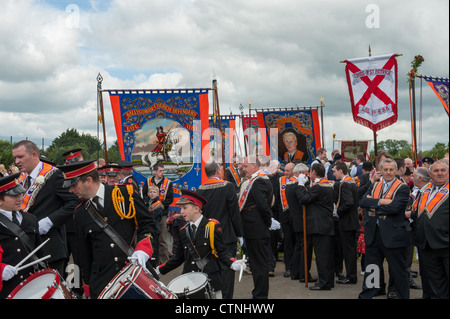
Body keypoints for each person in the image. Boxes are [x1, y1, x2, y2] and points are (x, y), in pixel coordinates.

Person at [58, 160, 158, 299]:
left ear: (88, 180)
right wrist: (85, 287)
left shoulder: (124, 194)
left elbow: (148, 224)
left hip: (133, 272)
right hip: (102, 283)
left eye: (74, 185)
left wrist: (143, 249)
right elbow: (82, 256)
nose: (70, 190)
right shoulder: (80, 213)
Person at [156, 190, 245, 299]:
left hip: (210, 281)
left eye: (185, 208)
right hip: (189, 281)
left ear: (196, 209)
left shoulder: (211, 227)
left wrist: (233, 262)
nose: (181, 212)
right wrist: (159, 270)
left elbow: (222, 251)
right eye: (180, 208)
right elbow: (178, 258)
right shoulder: (184, 231)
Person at [12, 140, 79, 276]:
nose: (17, 161)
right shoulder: (22, 177)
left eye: (20, 157)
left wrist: (49, 221)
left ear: (34, 155)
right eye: (15, 158)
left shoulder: (54, 174)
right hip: (28, 247)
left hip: (50, 246)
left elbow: (74, 202)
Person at [358, 158, 411, 299]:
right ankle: (370, 292)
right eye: (385, 169)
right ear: (380, 171)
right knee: (372, 268)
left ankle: (401, 295)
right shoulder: (375, 185)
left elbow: (395, 208)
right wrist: (381, 201)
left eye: (391, 169)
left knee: (397, 269)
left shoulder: (403, 187)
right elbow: (362, 201)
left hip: (393, 235)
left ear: (396, 170)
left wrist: (373, 206)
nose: (388, 172)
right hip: (373, 233)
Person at [196, 160, 243, 299]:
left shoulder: (200, 189)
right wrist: (239, 233)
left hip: (207, 236)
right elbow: (234, 212)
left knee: (212, 270)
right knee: (228, 270)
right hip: (226, 234)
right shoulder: (227, 187)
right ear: (217, 171)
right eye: (221, 169)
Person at [0, 173, 46, 299]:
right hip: (8, 289)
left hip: (33, 284)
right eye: (14, 195)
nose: (20, 198)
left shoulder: (30, 219)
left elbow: (39, 253)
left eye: (20, 193)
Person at [238, 155, 275, 299]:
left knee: (259, 265)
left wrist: (267, 222)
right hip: (254, 228)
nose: (243, 169)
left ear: (255, 165)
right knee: (256, 264)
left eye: (246, 166)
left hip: (256, 229)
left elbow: (262, 206)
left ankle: (260, 296)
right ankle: (258, 294)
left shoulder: (258, 181)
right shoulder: (257, 180)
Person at [412, 160, 449, 299]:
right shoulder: (424, 191)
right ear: (430, 174)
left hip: (446, 244)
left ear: (448, 172)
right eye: (436, 171)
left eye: (443, 170)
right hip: (426, 245)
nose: (439, 173)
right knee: (431, 283)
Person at [296, 163, 335, 290]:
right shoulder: (329, 184)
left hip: (319, 226)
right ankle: (328, 281)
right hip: (325, 224)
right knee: (326, 256)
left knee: (322, 256)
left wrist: (301, 185)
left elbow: (303, 199)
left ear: (313, 173)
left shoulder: (318, 187)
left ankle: (324, 282)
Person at [286, 163, 316, 284]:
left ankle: (296, 272)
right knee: (305, 248)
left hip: (296, 220)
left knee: (299, 246)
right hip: (303, 219)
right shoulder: (297, 185)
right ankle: (304, 274)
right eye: (305, 173)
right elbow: (304, 200)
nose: (307, 176)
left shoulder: (289, 184)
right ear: (299, 173)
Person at [332, 161, 360, 284]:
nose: (333, 174)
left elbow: (349, 202)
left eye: (334, 171)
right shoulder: (351, 181)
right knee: (350, 250)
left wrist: (338, 211)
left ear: (341, 171)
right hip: (351, 220)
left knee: (348, 251)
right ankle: (351, 275)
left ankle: (351, 276)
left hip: (347, 221)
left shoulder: (345, 184)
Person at [142, 162, 174, 265]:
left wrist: (159, 204)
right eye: (160, 171)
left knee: (162, 239)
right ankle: (152, 261)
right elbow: (144, 195)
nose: (162, 173)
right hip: (149, 215)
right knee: (150, 238)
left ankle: (164, 262)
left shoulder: (168, 182)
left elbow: (170, 199)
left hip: (161, 214)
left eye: (163, 170)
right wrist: (149, 203)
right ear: (154, 171)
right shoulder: (148, 182)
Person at [407, 166, 431, 298]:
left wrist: (410, 214)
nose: (412, 178)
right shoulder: (420, 191)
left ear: (420, 178)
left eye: (414, 175)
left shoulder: (428, 192)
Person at [147, 185, 164, 266]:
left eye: (154, 192)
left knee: (154, 247)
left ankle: (154, 264)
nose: (152, 194)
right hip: (148, 227)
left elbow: (153, 217)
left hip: (154, 228)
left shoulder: (158, 205)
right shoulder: (147, 202)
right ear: (148, 193)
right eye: (150, 192)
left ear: (158, 194)